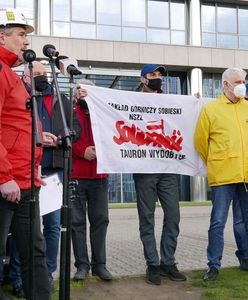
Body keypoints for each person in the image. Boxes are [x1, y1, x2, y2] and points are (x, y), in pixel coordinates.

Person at [7, 60, 82, 296]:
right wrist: (39, 139)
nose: (42, 78)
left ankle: (46, 275)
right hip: (24, 171)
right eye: (36, 74)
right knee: (23, 232)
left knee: (50, 229)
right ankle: (18, 278)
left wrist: (59, 140)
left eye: (44, 73)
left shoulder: (61, 99)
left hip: (53, 171)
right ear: (26, 77)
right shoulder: (21, 96)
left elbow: (75, 128)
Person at [0, 8, 50, 300]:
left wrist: (40, 140)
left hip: (27, 180)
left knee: (35, 252)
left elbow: (15, 126)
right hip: (7, 182)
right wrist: (3, 176)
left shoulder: (12, 74)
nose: (26, 42)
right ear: (2, 37)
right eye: (20, 35)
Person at [133, 64, 186, 285]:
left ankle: (168, 261)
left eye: (159, 75)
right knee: (147, 218)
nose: (157, 78)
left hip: (167, 168)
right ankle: (153, 264)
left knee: (173, 216)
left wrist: (194, 103)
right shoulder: (129, 101)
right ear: (143, 79)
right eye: (152, 75)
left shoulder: (170, 102)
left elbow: (185, 118)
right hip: (144, 169)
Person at [194, 67, 248, 281]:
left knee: (243, 222)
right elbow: (200, 142)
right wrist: (216, 162)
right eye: (237, 81)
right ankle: (214, 265)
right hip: (223, 177)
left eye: (243, 80)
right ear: (225, 85)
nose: (241, 84)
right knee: (218, 222)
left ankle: (244, 258)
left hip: (245, 176)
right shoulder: (211, 110)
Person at [71, 79, 112, 282]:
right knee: (77, 223)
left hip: (100, 176)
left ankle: (100, 265)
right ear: (76, 93)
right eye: (82, 90)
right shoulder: (69, 113)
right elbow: (64, 139)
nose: (85, 94)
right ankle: (82, 266)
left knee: (100, 221)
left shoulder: (105, 114)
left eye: (89, 91)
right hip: (76, 176)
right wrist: (81, 151)